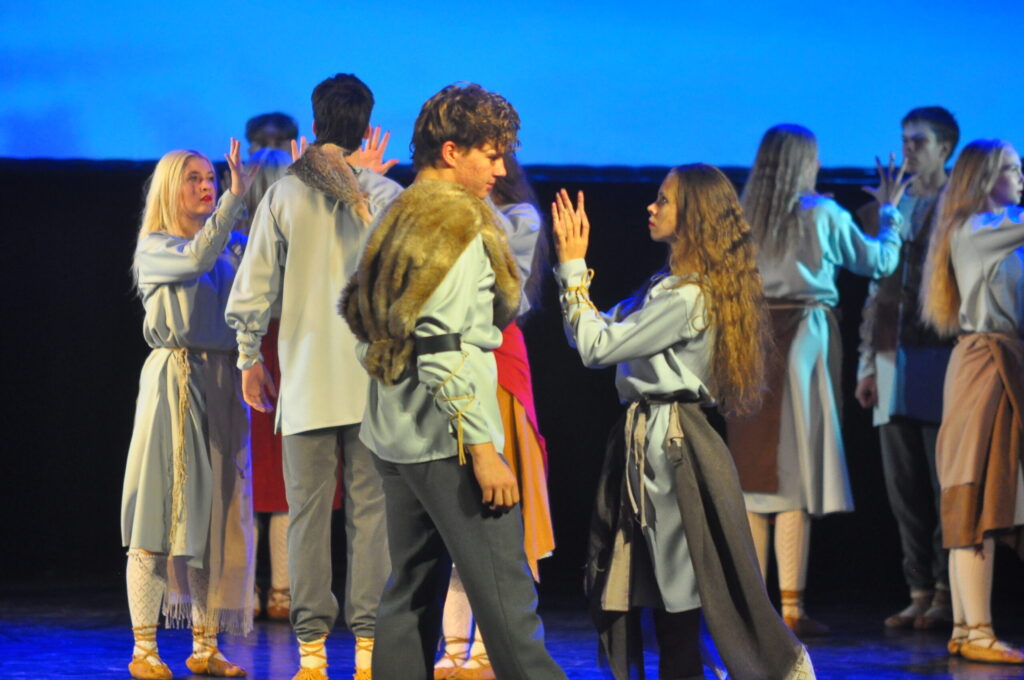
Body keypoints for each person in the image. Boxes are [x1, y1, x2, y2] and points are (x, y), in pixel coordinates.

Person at [551, 164, 814, 679]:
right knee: (664, 597)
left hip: (672, 447)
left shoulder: (689, 297)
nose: (651, 207)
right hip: (650, 440)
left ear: (694, 216)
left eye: (664, 200)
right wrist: (573, 282)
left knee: (679, 601)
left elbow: (595, 347)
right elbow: (590, 333)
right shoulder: (667, 286)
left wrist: (573, 267)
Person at [341, 82, 567, 680]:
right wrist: (485, 451)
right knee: (507, 600)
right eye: (490, 155)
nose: (501, 169)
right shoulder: (458, 226)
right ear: (450, 151)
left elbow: (364, 322)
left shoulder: (394, 214)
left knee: (411, 590)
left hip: (393, 432)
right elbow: (444, 349)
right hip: (451, 442)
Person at [225, 73, 402, 680]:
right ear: (367, 124)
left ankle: (311, 657)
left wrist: (249, 357)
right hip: (375, 383)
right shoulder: (387, 194)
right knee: (371, 516)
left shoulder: (284, 194)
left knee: (306, 516)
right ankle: (369, 654)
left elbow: (253, 286)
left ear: (316, 122)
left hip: (306, 380)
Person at [727, 124, 905, 637]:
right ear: (805, 163)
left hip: (752, 338)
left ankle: (758, 608)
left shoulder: (741, 217)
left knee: (755, 480)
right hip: (802, 338)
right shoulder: (822, 213)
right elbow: (879, 260)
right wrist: (890, 214)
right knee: (791, 478)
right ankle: (789, 607)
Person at [121, 139, 256, 680]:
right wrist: (233, 201)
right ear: (169, 188)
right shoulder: (156, 247)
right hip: (175, 380)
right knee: (159, 511)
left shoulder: (231, 248)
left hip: (222, 381)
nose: (207, 186)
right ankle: (144, 648)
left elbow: (274, 260)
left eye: (211, 179)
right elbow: (196, 258)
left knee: (214, 516)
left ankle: (206, 644)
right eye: (194, 179)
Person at [433, 154, 555, 680]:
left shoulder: (519, 218)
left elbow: (504, 290)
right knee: (457, 518)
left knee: (498, 512)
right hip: (452, 362)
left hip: (499, 361)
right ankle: (453, 646)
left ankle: (485, 650)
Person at [854, 107, 960, 629]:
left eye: (918, 141)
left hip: (943, 354)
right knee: (903, 486)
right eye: (904, 140)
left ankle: (946, 591)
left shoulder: (962, 203)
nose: (908, 150)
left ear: (945, 148)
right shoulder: (893, 206)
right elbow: (878, 290)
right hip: (893, 355)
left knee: (945, 482)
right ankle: (918, 589)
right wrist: (866, 367)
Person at [919, 138, 1024, 665]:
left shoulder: (990, 232)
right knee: (975, 491)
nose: (1021, 177)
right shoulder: (978, 229)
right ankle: (976, 629)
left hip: (995, 363)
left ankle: (966, 626)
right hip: (986, 366)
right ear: (984, 178)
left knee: (980, 490)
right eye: (1012, 168)